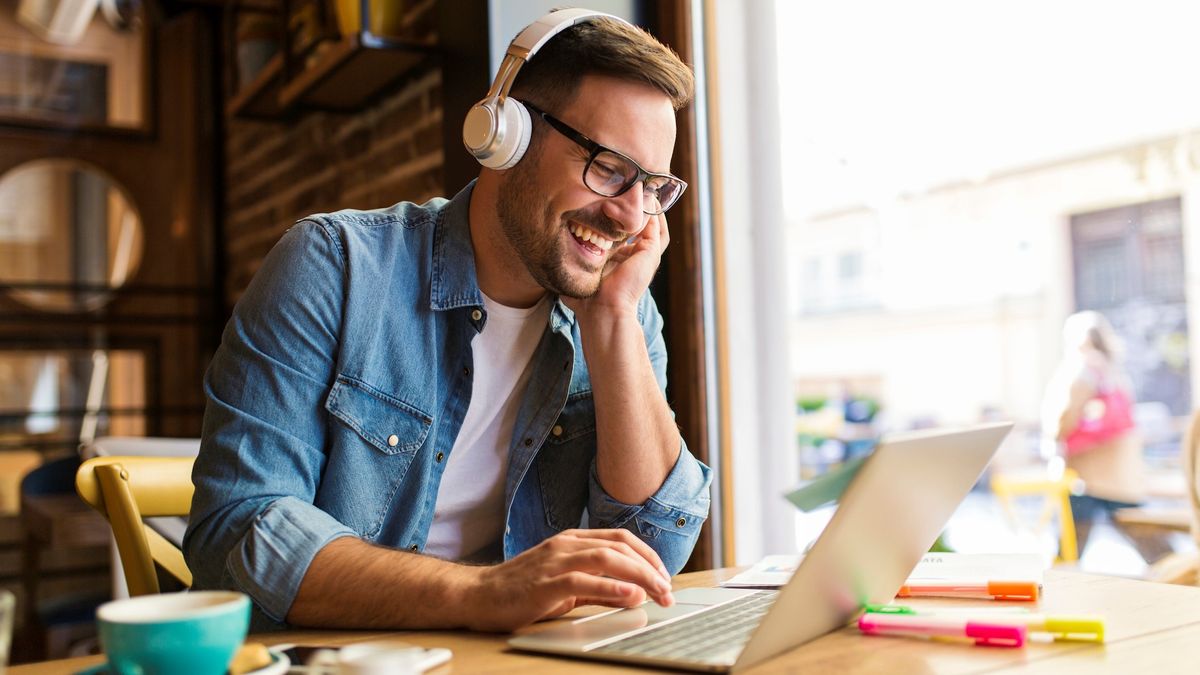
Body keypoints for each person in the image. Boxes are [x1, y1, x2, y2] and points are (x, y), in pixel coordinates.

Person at [183, 9, 712, 632]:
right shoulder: (335, 268)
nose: (630, 216)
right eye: (609, 168)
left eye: (651, 187)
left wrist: (616, 322)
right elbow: (239, 529)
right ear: (507, 134)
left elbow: (654, 552)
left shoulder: (619, 303)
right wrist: (485, 594)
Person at [1041, 310, 1169, 563]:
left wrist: (1056, 439)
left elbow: (1061, 420)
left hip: (1087, 476)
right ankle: (1182, 579)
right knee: (1151, 543)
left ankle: (1057, 591)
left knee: (1069, 549)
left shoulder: (1081, 370)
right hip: (1120, 472)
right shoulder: (1114, 371)